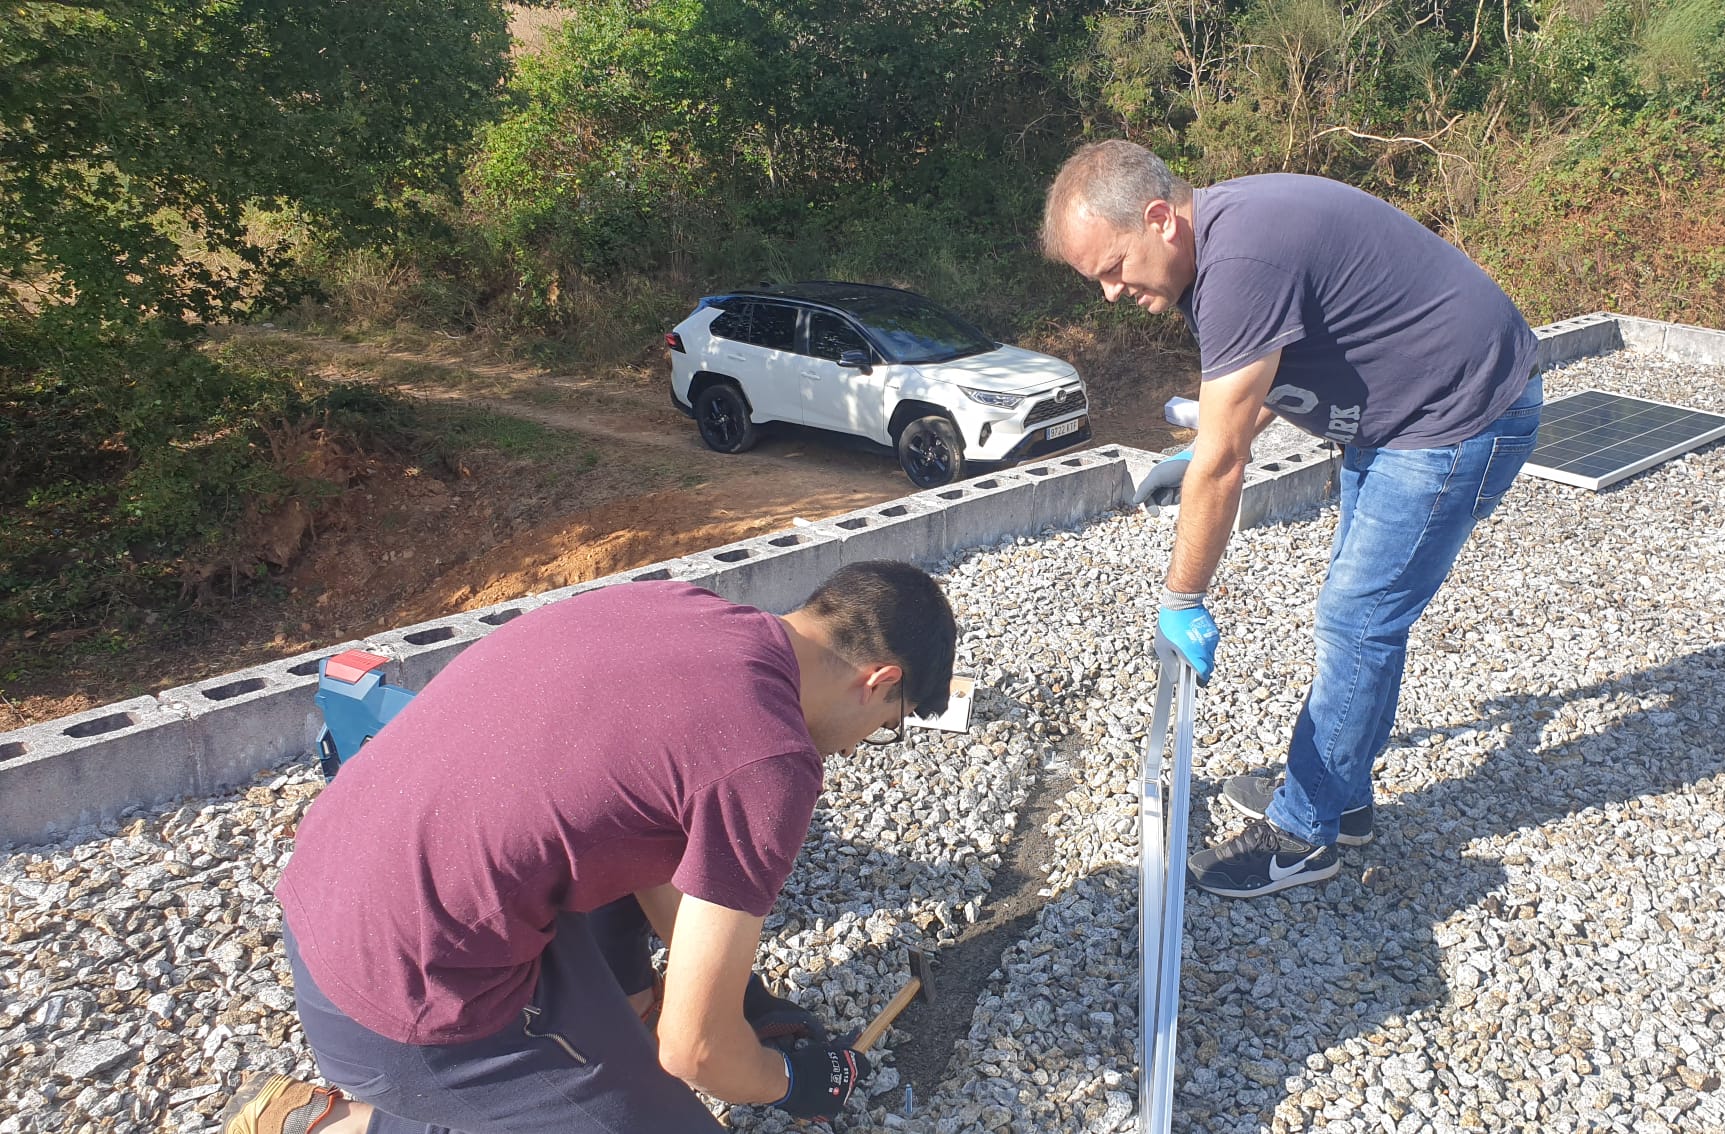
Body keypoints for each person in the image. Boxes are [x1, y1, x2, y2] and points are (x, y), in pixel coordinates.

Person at [222, 561, 958, 1133]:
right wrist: (791, 1080)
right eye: (888, 724)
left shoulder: (672, 606)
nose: (867, 744)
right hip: (407, 998)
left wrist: (737, 998)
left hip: (333, 889)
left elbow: (649, 839)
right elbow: (694, 1052)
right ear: (879, 681)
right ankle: (340, 1121)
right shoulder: (770, 761)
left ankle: (592, 1043)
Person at [1042, 140, 1542, 899]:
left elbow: (1225, 464)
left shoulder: (1242, 262)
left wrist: (1181, 596)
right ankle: (1343, 801)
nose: (1109, 293)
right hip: (1399, 417)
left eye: (1112, 269)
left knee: (1357, 618)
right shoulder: (1220, 244)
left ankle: (1307, 835)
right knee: (1361, 617)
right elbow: (1274, 367)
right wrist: (1211, 432)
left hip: (1457, 414)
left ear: (1156, 219)